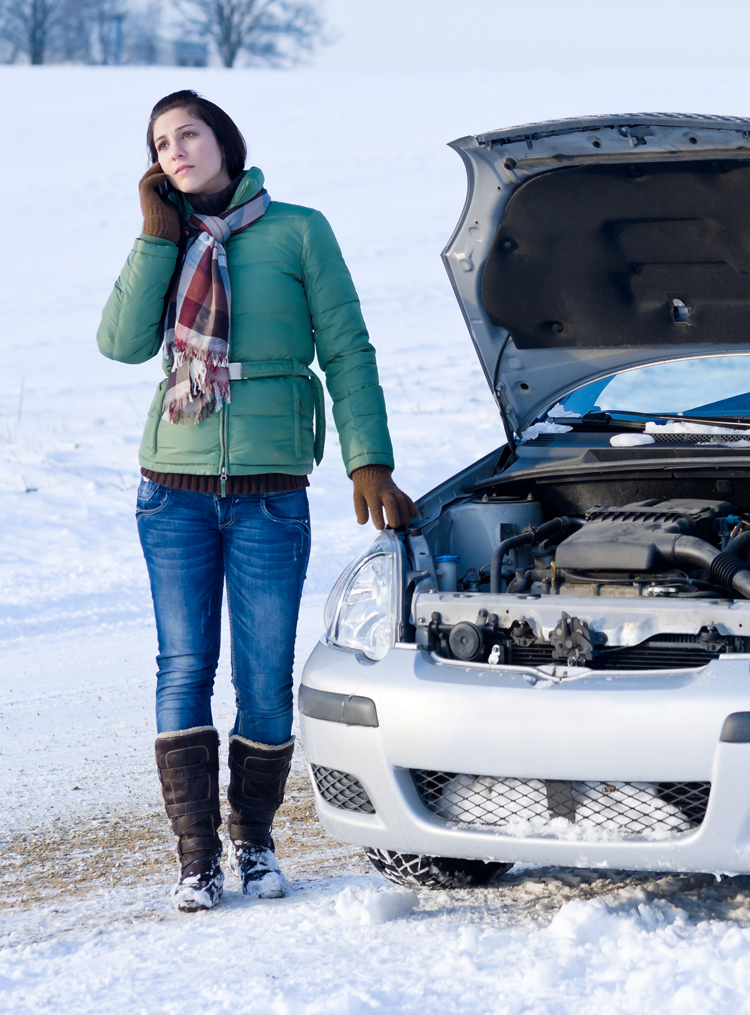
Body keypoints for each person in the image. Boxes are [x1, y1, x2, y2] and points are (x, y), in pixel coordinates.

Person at [97, 90, 415, 912]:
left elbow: (346, 345)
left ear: (225, 140)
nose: (175, 150)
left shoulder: (299, 229)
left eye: (189, 133)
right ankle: (196, 858)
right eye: (161, 142)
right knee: (182, 668)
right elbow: (123, 344)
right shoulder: (167, 240)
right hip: (171, 488)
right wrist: (153, 236)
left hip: (271, 490)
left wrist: (367, 458)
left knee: (266, 678)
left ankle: (259, 844)